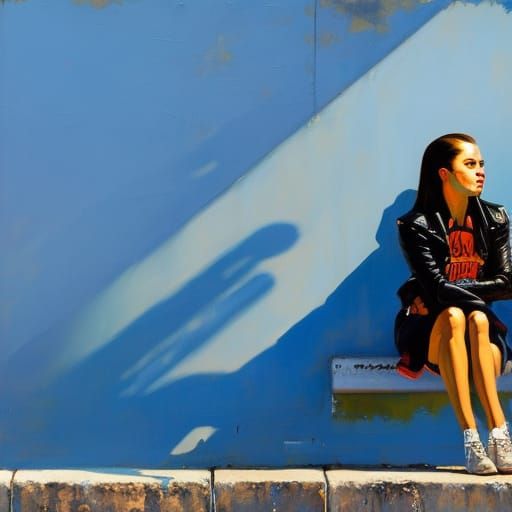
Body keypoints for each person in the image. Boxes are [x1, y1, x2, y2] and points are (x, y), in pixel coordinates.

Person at [395, 133, 512, 475]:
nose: (480, 172)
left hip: (482, 339)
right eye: (470, 164)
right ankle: (472, 440)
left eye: (481, 164)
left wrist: (458, 288)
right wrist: (472, 292)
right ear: (443, 173)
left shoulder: (495, 219)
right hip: (432, 336)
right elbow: (437, 291)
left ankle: (499, 433)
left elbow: (508, 283)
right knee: (457, 316)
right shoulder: (415, 226)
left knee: (475, 318)